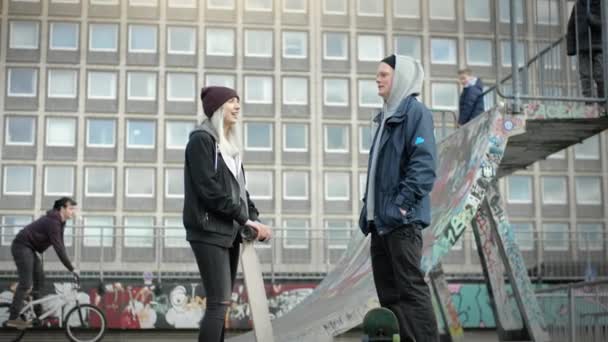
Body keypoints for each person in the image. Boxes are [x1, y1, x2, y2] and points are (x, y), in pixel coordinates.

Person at [359, 54, 438, 342]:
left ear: (401, 78)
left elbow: (424, 167)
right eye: (377, 74)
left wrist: (400, 207)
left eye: (384, 74)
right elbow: (378, 173)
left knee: (411, 291)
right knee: (389, 295)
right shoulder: (384, 118)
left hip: (402, 222)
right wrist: (368, 210)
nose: (377, 79)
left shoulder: (415, 113)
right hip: (380, 224)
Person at [183, 86, 272, 342]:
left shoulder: (229, 146)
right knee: (218, 303)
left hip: (229, 231)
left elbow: (240, 191)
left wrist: (253, 219)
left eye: (238, 102)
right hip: (208, 230)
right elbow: (208, 191)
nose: (237, 106)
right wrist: (244, 219)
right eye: (232, 102)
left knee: (221, 304)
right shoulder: (201, 140)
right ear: (218, 109)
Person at [7, 197, 80, 329]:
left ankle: (37, 314)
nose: (73, 212)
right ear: (62, 209)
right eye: (70, 208)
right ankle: (13, 318)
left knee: (40, 279)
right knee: (26, 283)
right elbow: (58, 248)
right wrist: (71, 268)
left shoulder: (60, 222)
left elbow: (61, 245)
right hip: (22, 246)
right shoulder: (53, 222)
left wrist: (71, 266)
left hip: (30, 249)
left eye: (74, 209)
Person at [567, 0, 604, 99]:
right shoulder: (578, 5)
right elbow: (571, 27)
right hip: (583, 47)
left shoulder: (602, 4)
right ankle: (589, 102)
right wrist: (571, 48)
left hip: (599, 47)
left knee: (601, 75)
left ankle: (603, 100)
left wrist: (594, 21)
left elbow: (604, 23)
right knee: (585, 76)